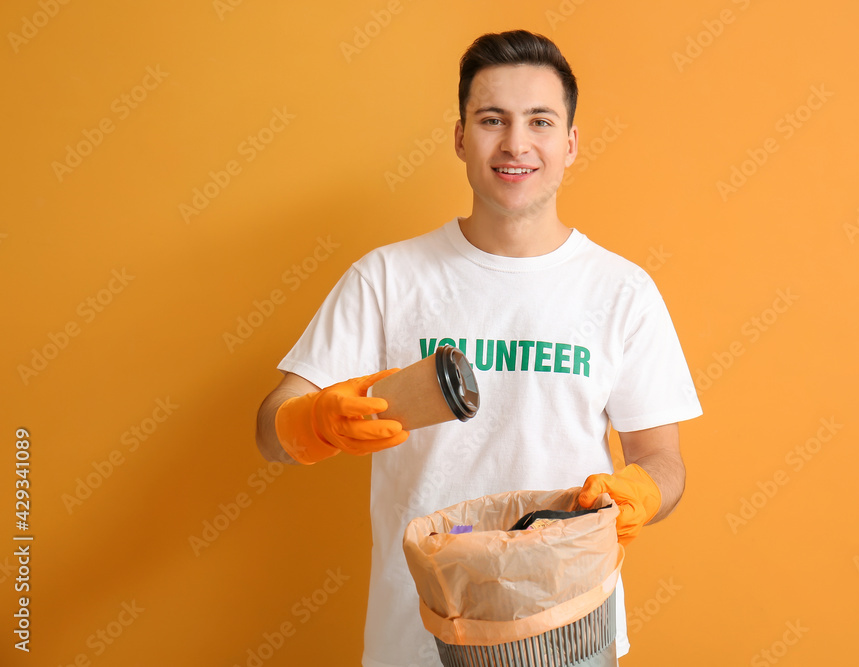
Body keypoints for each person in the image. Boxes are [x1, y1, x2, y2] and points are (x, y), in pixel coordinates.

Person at [255, 29, 703, 667]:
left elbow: (664, 459)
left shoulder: (622, 291)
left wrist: (641, 494)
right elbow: (271, 435)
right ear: (461, 136)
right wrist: (317, 421)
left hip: (569, 632)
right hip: (417, 638)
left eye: (539, 121)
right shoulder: (387, 278)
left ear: (570, 144)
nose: (516, 144)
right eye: (492, 119)